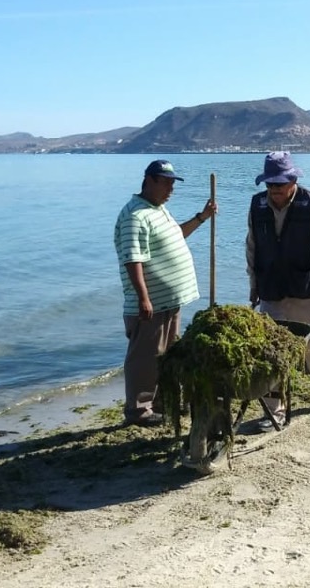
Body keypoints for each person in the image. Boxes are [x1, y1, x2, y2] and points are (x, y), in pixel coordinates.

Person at [247, 152, 310, 428]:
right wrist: (253, 285)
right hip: (271, 288)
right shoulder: (257, 206)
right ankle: (273, 409)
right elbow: (252, 248)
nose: (274, 189)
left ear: (293, 180)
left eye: (279, 183)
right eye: (270, 184)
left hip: (309, 288)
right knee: (270, 350)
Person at [114, 160, 216, 426]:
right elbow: (132, 259)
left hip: (169, 300)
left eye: (173, 183)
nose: (171, 188)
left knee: (167, 354)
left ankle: (161, 403)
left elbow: (176, 236)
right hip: (152, 304)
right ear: (149, 180)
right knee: (145, 357)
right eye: (166, 182)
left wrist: (201, 218)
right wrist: (143, 298)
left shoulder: (157, 210)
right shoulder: (134, 216)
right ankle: (138, 411)